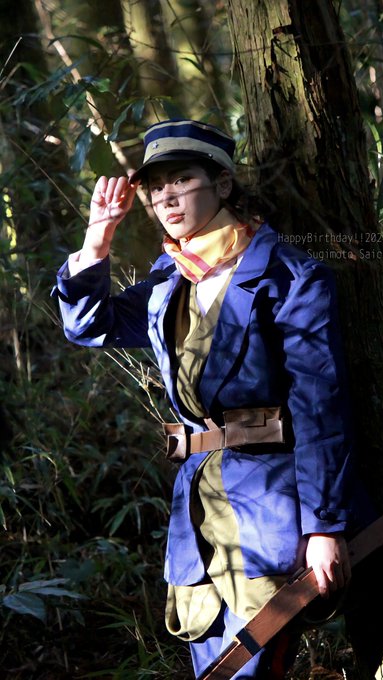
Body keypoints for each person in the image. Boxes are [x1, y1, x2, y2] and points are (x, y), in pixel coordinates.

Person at [53, 119, 359, 679]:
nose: (167, 196)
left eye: (182, 179)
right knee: (212, 666)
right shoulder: (168, 281)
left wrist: (324, 526)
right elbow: (89, 325)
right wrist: (98, 238)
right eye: (156, 186)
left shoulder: (290, 276)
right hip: (195, 513)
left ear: (222, 183)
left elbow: (321, 409)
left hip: (271, 507)